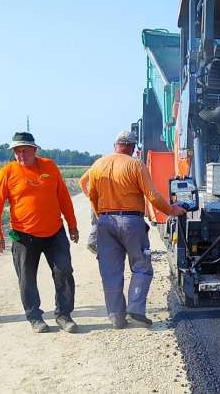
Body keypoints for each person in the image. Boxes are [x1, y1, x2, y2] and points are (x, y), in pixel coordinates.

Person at [87, 131, 186, 329]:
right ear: (132, 147)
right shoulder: (135, 165)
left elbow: (92, 194)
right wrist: (172, 210)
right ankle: (136, 310)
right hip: (132, 221)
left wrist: (101, 218)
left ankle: (116, 316)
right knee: (141, 266)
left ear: (115, 145)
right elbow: (152, 195)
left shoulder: (98, 165)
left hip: (105, 221)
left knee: (110, 271)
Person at [0, 132, 79, 334]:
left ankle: (64, 315)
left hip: (55, 232)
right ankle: (35, 317)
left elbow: (63, 197)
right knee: (26, 278)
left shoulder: (49, 166)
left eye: (24, 150)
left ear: (34, 150)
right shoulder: (7, 172)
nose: (20, 154)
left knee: (64, 272)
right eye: (16, 151)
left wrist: (72, 225)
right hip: (22, 235)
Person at [78, 169, 99, 255]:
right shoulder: (102, 168)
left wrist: (88, 194)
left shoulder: (93, 168)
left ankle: (96, 242)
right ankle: (92, 242)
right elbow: (81, 181)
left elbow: (82, 181)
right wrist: (87, 194)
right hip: (101, 199)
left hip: (95, 198)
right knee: (97, 222)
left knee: (96, 221)